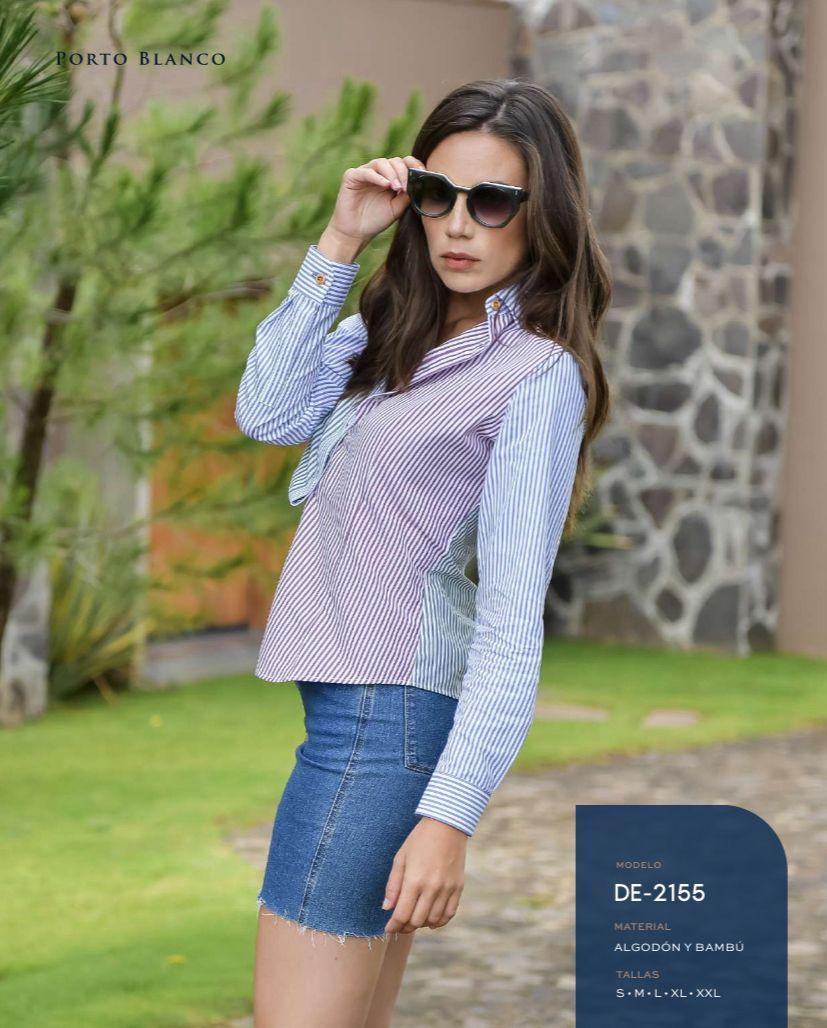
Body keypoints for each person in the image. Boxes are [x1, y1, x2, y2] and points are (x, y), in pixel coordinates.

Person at [235, 77, 611, 1028]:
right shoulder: (393, 328)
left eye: (493, 202)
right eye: (439, 195)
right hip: (356, 719)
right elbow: (267, 412)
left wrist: (449, 818)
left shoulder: (535, 375)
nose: (458, 225)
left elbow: (510, 620)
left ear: (544, 212)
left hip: (384, 728)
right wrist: (340, 240)